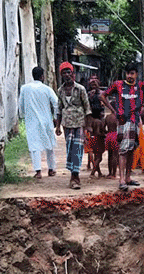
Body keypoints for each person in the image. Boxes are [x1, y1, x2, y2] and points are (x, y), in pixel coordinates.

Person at [104, 52, 144, 190]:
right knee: (123, 150)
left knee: (131, 151)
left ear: (136, 74)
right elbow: (103, 95)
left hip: (135, 122)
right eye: (128, 73)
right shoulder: (118, 85)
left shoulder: (140, 86)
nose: (130, 76)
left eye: (132, 73)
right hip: (123, 122)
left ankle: (128, 177)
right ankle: (122, 179)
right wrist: (113, 109)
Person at [54, 61, 91, 190]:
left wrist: (88, 126)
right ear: (61, 75)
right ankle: (72, 174)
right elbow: (59, 109)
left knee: (78, 148)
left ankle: (76, 176)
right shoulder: (60, 90)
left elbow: (87, 108)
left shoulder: (80, 89)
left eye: (68, 72)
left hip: (80, 123)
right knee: (70, 148)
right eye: (64, 73)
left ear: (72, 73)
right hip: (67, 124)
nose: (66, 75)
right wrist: (58, 126)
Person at [18, 66, 58, 179]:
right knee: (49, 144)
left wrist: (22, 116)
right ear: (42, 76)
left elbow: (20, 105)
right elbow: (56, 103)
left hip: (31, 121)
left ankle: (38, 171)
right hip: (46, 120)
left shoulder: (25, 88)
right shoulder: (47, 89)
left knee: (34, 146)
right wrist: (55, 117)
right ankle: (51, 169)